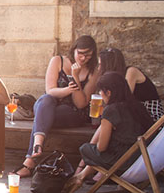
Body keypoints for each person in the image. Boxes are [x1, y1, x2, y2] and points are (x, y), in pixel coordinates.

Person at [15, 35, 100, 177]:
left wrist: (75, 77)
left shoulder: (93, 72)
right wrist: (68, 90)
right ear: (74, 50)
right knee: (45, 99)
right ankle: (37, 145)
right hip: (48, 105)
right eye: (81, 53)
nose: (84, 58)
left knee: (43, 117)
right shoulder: (57, 61)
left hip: (72, 112)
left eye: (88, 55)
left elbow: (80, 104)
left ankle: (30, 160)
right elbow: (51, 90)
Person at [64, 71, 153, 193]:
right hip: (142, 160)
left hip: (122, 163)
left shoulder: (111, 110)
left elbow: (101, 147)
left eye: (100, 91)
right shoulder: (138, 107)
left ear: (108, 92)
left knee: (86, 148)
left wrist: (104, 119)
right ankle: (82, 176)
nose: (100, 94)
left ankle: (81, 176)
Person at [98, 47, 163, 121]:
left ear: (108, 64)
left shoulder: (131, 71)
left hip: (150, 116)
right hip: (134, 117)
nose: (99, 68)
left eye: (100, 65)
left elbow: (122, 98)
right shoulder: (115, 79)